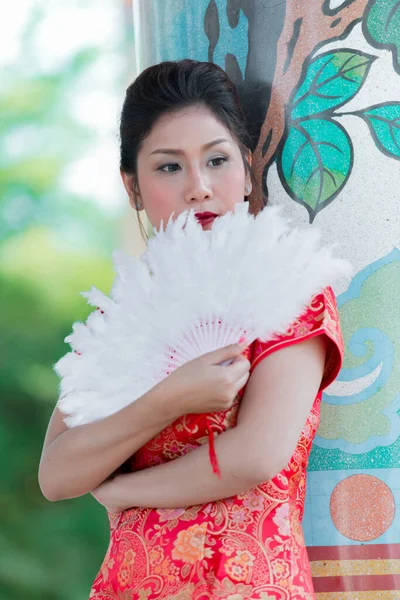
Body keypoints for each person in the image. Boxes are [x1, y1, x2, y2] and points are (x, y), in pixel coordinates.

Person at [39, 60, 344, 600]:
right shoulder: (121, 318)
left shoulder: (291, 289)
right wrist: (168, 398)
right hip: (127, 586)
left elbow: (255, 455)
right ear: (132, 186)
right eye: (168, 168)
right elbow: (57, 474)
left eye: (218, 160)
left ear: (248, 169)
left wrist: (122, 490)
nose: (198, 188)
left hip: (244, 585)